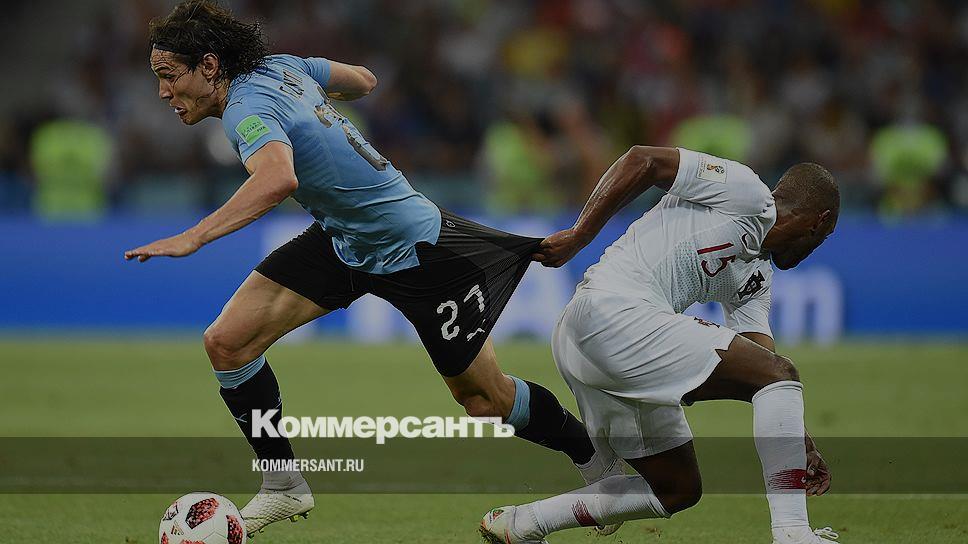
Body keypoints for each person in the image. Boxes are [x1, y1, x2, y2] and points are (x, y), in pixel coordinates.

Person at [124, 1, 608, 536]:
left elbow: (277, 179)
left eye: (169, 76)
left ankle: (593, 457)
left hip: (416, 249)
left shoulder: (245, 110)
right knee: (227, 343)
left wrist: (194, 236)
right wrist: (314, 106)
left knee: (485, 400)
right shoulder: (285, 67)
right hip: (344, 238)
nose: (163, 92)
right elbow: (364, 80)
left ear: (210, 66)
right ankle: (283, 485)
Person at [481, 145, 839, 544]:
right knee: (780, 374)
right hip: (610, 313)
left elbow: (763, 364)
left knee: (677, 488)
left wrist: (799, 440)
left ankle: (523, 524)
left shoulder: (757, 277)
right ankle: (793, 533)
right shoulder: (746, 192)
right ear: (820, 222)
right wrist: (580, 235)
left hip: (598, 343)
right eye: (824, 239)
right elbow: (643, 160)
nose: (815, 249)